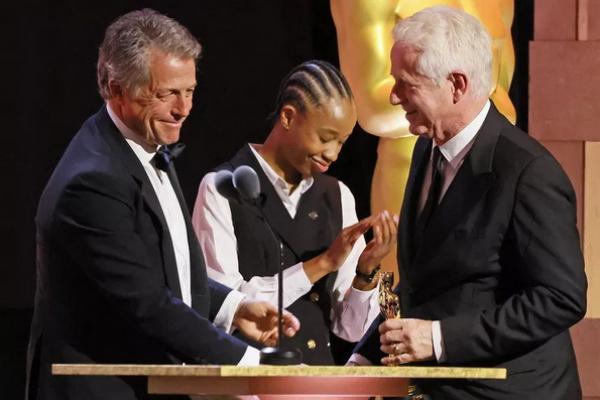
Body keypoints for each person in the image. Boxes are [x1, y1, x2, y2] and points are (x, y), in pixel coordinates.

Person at [26, 9, 299, 400]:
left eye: (189, 90)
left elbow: (162, 266)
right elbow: (145, 302)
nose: (183, 108)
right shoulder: (92, 181)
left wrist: (233, 308)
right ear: (116, 89)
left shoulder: (143, 141)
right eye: (166, 93)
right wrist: (253, 365)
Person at [350, 6, 587, 399]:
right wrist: (362, 362)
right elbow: (430, 286)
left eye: (406, 83)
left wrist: (440, 338)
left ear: (456, 85)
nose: (393, 96)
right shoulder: (426, 149)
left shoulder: (527, 172)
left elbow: (560, 298)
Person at [192, 60, 397, 365]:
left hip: (318, 381)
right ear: (288, 117)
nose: (333, 154)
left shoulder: (336, 195)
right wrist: (322, 264)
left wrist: (366, 271)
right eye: (325, 137)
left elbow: (350, 329)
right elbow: (224, 305)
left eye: (342, 142)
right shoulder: (222, 187)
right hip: (247, 381)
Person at [331, 0, 516, 282]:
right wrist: (463, 100)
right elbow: (373, 107)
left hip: (491, 170)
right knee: (413, 302)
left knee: (486, 297)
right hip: (414, 174)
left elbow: (504, 100)